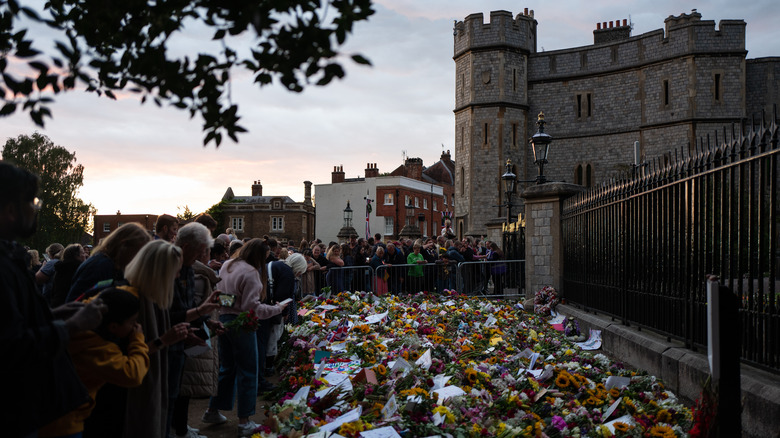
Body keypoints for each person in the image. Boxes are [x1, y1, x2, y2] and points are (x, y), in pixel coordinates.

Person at [0, 161, 106, 438]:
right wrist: (73, 325)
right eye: (32, 201)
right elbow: (10, 348)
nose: (36, 208)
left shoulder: (9, 256)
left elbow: (16, 324)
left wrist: (56, 314)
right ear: (10, 209)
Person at [83, 239, 191, 438]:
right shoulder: (127, 300)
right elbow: (121, 360)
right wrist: (163, 340)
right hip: (115, 399)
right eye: (175, 270)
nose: (177, 276)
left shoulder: (146, 296)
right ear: (160, 272)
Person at [203, 239, 288, 437]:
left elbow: (223, 296)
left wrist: (233, 304)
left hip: (224, 319)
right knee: (248, 370)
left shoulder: (227, 265)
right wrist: (277, 308)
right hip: (243, 323)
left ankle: (212, 410)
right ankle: (244, 421)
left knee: (227, 368)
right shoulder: (251, 273)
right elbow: (253, 307)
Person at [38, 288, 151, 438]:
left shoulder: (80, 325)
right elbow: (132, 374)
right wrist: (137, 340)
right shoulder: (97, 347)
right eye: (131, 322)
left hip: (48, 412)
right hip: (65, 422)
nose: (135, 326)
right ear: (113, 327)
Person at [167, 223, 219, 438]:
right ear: (186, 246)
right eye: (201, 250)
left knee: (178, 390)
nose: (204, 255)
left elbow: (186, 307)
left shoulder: (188, 268)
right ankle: (176, 430)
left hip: (183, 338)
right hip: (167, 343)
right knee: (171, 393)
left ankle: (179, 429)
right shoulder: (171, 268)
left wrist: (205, 320)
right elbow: (169, 313)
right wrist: (200, 313)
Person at [66, 222, 152, 302]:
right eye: (139, 252)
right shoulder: (100, 266)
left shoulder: (108, 264)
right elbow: (75, 302)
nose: (139, 259)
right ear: (124, 246)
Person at [49, 243, 87, 307]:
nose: (85, 255)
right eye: (83, 253)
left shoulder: (60, 268)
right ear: (76, 256)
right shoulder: (78, 270)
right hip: (72, 306)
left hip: (57, 304)